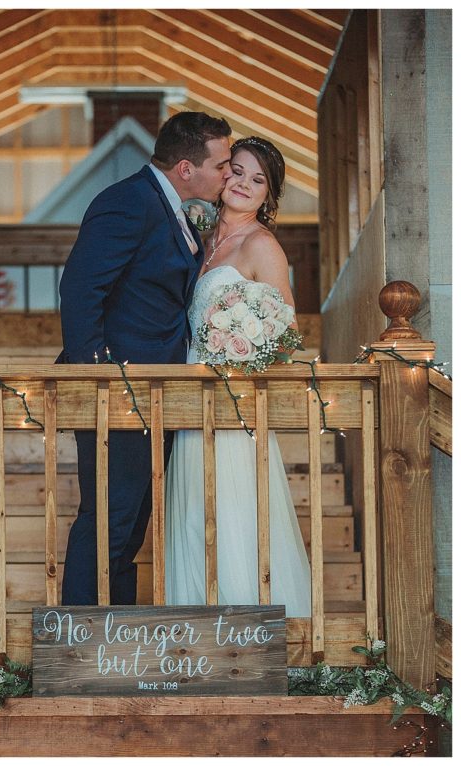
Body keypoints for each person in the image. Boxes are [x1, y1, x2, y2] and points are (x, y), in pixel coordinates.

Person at [58, 112, 232, 605]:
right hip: (118, 393)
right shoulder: (127, 202)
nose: (227, 174)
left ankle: (117, 641)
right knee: (109, 519)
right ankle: (79, 643)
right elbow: (80, 289)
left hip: (156, 393)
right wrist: (101, 379)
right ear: (185, 167)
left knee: (130, 525)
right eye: (220, 165)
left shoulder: (174, 207)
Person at [165, 136, 311, 616]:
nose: (244, 184)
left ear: (269, 195)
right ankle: (196, 635)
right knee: (192, 515)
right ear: (221, 173)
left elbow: (287, 329)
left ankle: (252, 638)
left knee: (232, 515)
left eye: (258, 179)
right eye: (237, 171)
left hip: (233, 405)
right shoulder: (200, 237)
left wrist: (239, 344)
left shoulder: (262, 244)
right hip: (189, 399)